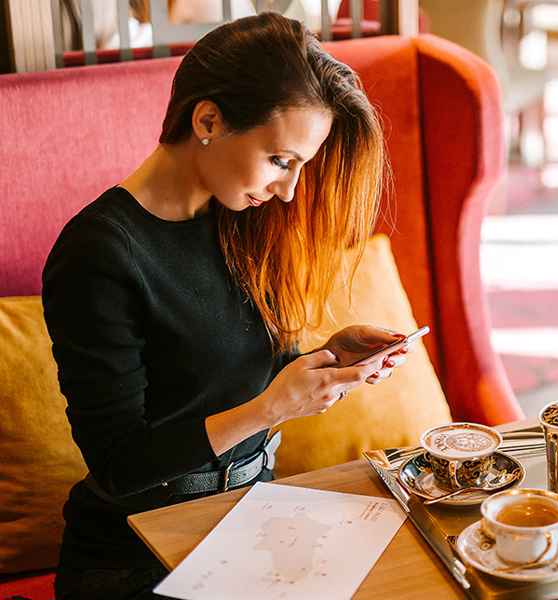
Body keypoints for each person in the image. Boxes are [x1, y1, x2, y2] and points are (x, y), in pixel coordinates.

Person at [41, 13, 405, 599]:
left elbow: (215, 374)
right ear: (207, 119)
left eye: (300, 167)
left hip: (250, 522)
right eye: (281, 160)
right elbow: (119, 465)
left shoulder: (239, 218)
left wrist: (326, 356)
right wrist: (269, 409)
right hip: (135, 555)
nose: (288, 189)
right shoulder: (98, 253)